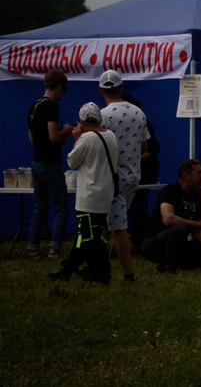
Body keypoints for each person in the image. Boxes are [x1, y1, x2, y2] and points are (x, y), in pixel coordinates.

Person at [53, 104, 118, 284]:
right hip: (105, 193)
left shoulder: (86, 138)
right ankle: (67, 270)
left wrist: (77, 138)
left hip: (89, 195)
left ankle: (102, 274)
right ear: (99, 119)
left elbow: (72, 161)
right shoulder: (111, 135)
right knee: (85, 236)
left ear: (81, 121)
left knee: (89, 239)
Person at [98, 68, 152, 281]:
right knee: (108, 224)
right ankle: (97, 260)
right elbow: (144, 147)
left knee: (118, 228)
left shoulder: (103, 115)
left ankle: (128, 274)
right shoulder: (139, 112)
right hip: (133, 176)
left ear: (100, 89)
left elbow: (96, 146)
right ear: (121, 87)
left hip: (113, 180)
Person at [143, 160, 201, 272]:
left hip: (181, 244)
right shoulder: (170, 190)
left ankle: (182, 264)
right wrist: (200, 224)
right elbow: (168, 219)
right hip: (156, 244)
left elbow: (196, 230)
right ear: (186, 175)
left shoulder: (196, 197)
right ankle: (169, 266)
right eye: (198, 173)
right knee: (179, 229)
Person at [27, 66, 72, 257]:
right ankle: (54, 248)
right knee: (62, 206)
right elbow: (54, 137)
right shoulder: (51, 106)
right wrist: (68, 130)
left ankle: (33, 248)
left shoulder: (33, 106)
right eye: (64, 89)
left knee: (39, 208)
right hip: (50, 164)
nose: (63, 94)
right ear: (59, 86)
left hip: (36, 161)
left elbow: (32, 139)